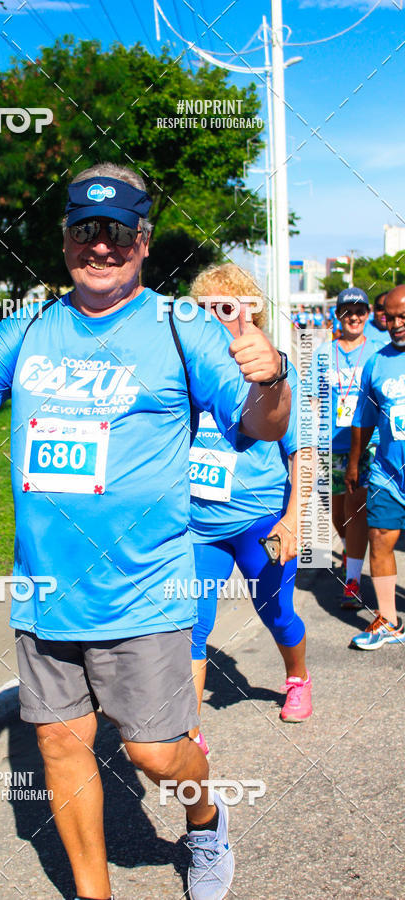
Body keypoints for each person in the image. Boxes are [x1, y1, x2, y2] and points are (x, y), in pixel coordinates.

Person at [0, 163, 291, 900]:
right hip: (48, 587)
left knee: (153, 751)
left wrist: (270, 379)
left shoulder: (180, 327)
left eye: (117, 232)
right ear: (66, 241)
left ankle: (205, 821)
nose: (101, 246)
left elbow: (256, 425)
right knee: (58, 740)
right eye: (87, 230)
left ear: (142, 242)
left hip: (145, 588)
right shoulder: (32, 326)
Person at [188, 264, 312, 735]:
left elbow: (301, 452)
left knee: (276, 613)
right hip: (197, 527)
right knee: (191, 628)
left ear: (252, 314)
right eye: (201, 309)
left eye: (224, 308)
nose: (211, 317)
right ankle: (188, 735)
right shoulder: (187, 370)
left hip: (260, 521)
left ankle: (297, 677)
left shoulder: (277, 372)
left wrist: (294, 520)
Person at [307, 287, 378, 608]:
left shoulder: (378, 349)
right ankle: (353, 556)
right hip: (331, 443)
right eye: (347, 311)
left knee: (355, 508)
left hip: (366, 444)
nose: (354, 317)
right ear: (338, 315)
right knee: (337, 514)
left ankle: (352, 579)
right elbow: (311, 398)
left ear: (368, 314)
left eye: (360, 311)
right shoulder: (324, 353)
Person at [346, 285, 405, 648]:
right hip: (387, 471)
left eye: (404, 317)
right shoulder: (377, 362)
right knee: (379, 539)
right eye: (391, 317)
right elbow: (363, 419)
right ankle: (388, 620)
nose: (396, 324)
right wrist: (354, 464)